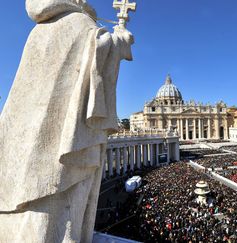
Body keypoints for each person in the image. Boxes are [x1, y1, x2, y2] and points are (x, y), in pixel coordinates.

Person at [0, 0, 133, 242]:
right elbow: (100, 54)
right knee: (57, 204)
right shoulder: (78, 22)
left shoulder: (39, 31)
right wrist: (121, 38)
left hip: (26, 140)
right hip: (60, 139)